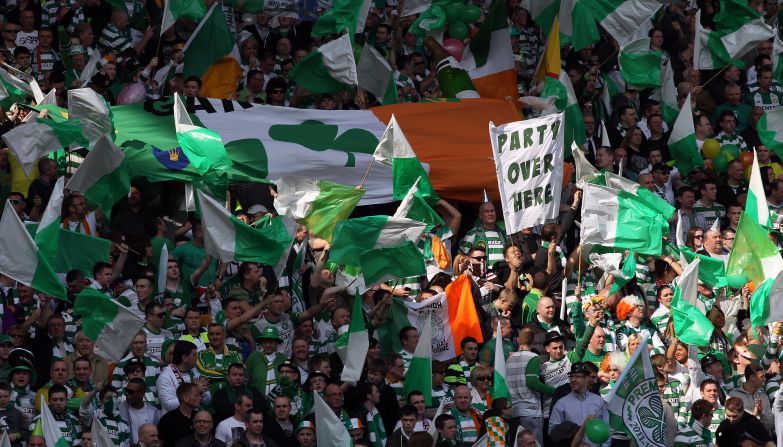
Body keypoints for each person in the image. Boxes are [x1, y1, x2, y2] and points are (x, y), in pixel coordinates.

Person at [548, 363, 608, 444]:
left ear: (586, 378)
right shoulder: (561, 403)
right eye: (571, 376)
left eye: (577, 376)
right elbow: (552, 431)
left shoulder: (599, 401)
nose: (573, 380)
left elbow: (607, 428)